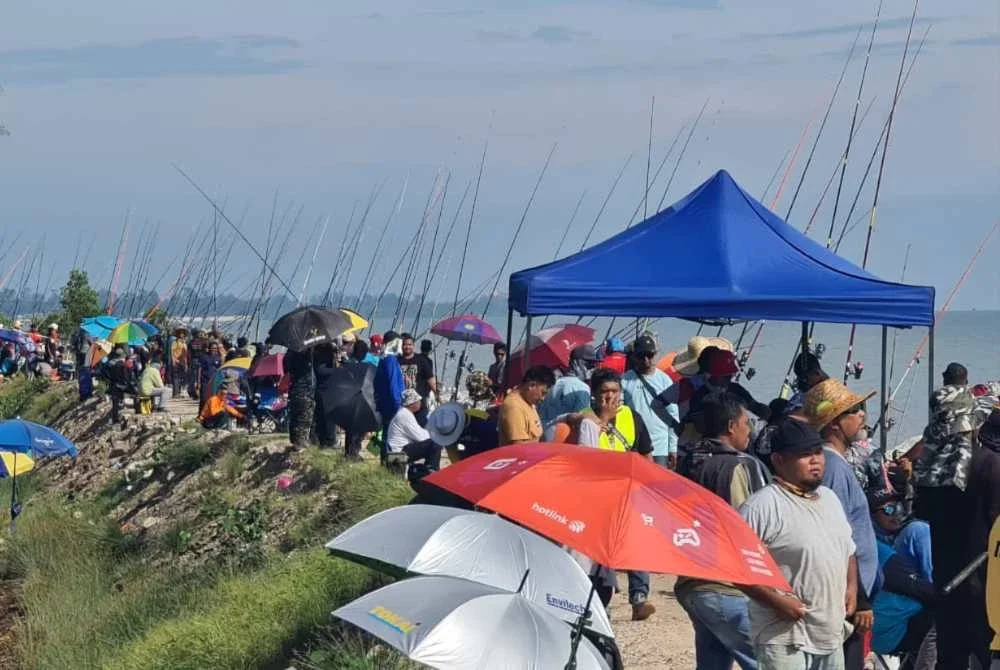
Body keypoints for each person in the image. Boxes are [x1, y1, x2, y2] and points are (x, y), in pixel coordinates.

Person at [740, 418, 859, 670]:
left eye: (818, 452)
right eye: (805, 455)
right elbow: (739, 570)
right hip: (783, 636)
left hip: (829, 632)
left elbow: (848, 548)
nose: (815, 460)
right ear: (779, 460)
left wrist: (851, 586)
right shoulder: (762, 506)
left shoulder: (830, 498)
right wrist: (778, 602)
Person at [675, 393, 769, 670]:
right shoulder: (739, 465)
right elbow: (748, 526)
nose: (749, 429)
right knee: (767, 662)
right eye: (745, 423)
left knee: (712, 661)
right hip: (727, 585)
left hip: (691, 580)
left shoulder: (690, 461)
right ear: (730, 426)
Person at [913, 386, 993, 670]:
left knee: (950, 659)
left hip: (946, 582)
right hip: (985, 588)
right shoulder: (990, 466)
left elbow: (919, 513)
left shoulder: (929, 468)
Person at [803, 379, 879, 669]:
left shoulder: (836, 464)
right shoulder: (833, 467)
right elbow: (838, 537)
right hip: (848, 596)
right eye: (855, 410)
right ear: (834, 423)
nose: (862, 415)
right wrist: (860, 598)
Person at [868, 491, 937, 669]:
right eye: (889, 509)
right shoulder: (879, 548)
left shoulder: (883, 542)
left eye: (899, 506)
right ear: (870, 516)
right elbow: (919, 586)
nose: (897, 513)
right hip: (891, 632)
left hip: (885, 629)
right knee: (949, 619)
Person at [684, 349, 770, 441]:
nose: (729, 379)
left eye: (730, 376)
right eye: (725, 376)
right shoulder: (699, 396)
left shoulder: (736, 389)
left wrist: (765, 411)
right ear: (711, 375)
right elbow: (700, 426)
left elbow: (755, 406)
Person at [621, 335, 679, 469]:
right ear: (634, 357)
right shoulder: (624, 381)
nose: (646, 360)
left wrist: (673, 447)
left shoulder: (665, 381)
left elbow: (673, 416)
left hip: (660, 448)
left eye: (650, 355)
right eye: (641, 356)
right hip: (633, 446)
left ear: (655, 354)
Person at [537, 345, 597, 440]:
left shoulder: (552, 384)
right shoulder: (582, 388)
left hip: (542, 437)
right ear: (575, 363)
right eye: (589, 365)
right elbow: (583, 420)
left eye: (594, 365)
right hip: (564, 440)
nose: (592, 369)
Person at [386, 389, 441, 473]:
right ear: (412, 404)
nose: (420, 403)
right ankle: (432, 472)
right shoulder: (405, 415)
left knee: (433, 443)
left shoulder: (404, 413)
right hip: (399, 452)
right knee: (435, 444)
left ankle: (429, 470)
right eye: (418, 401)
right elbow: (421, 437)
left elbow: (419, 432)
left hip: (397, 450)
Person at [498, 365, 554, 446]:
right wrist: (546, 442)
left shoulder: (528, 402)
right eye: (543, 393)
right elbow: (518, 447)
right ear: (531, 385)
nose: (543, 398)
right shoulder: (514, 407)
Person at [398, 333, 437, 426]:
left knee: (422, 430)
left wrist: (437, 395)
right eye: (405, 344)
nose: (407, 347)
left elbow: (430, 379)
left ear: (414, 346)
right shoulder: (397, 361)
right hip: (402, 404)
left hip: (419, 404)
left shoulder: (421, 360)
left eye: (409, 344)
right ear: (401, 346)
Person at [285, 347, 316, 448]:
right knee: (304, 417)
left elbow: (286, 367)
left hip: (294, 388)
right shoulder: (306, 355)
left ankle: (295, 440)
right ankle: (300, 443)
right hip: (305, 389)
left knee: (295, 416)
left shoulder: (289, 354)